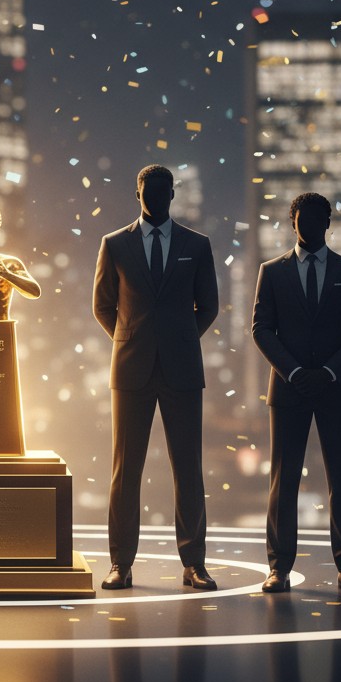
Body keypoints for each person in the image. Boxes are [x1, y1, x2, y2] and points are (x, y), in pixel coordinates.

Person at [93, 164, 219, 591]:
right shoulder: (114, 244)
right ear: (138, 192)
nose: (157, 196)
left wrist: (178, 340)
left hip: (182, 369)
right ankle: (119, 564)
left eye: (164, 190)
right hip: (131, 369)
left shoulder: (196, 245)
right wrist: (131, 340)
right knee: (125, 471)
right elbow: (103, 306)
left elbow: (210, 306)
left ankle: (194, 564)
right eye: (150, 189)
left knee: (189, 469)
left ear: (173, 194)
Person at [252, 191, 341, 594]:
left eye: (316, 219)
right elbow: (261, 329)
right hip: (290, 389)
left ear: (328, 223)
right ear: (292, 223)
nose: (309, 225)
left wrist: (328, 372)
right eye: (302, 219)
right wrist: (294, 371)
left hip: (334, 389)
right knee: (283, 482)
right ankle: (278, 569)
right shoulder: (271, 271)